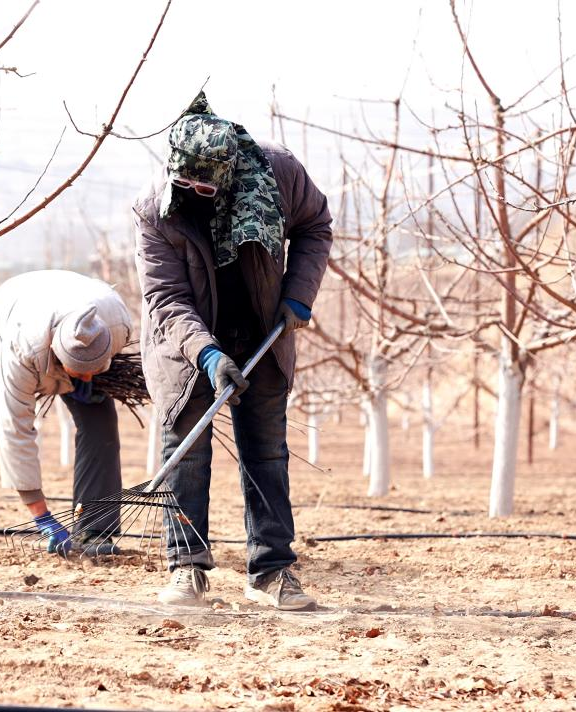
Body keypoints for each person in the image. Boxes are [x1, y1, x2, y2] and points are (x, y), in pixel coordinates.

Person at [134, 93, 333, 610]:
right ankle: (187, 570)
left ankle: (271, 570)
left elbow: (316, 225)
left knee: (265, 449)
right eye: (186, 183)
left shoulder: (280, 174)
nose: (195, 193)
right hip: (185, 339)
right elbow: (166, 297)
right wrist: (207, 355)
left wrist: (298, 294)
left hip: (264, 323)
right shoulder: (154, 207)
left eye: (206, 185)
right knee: (186, 448)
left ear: (229, 172)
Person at [0, 270, 134, 556]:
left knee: (101, 424)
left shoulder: (118, 324)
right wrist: (41, 514)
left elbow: (93, 363)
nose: (86, 378)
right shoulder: (23, 346)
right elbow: (15, 429)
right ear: (57, 355)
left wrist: (88, 374)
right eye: (78, 372)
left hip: (67, 313)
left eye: (93, 369)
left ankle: (94, 532)